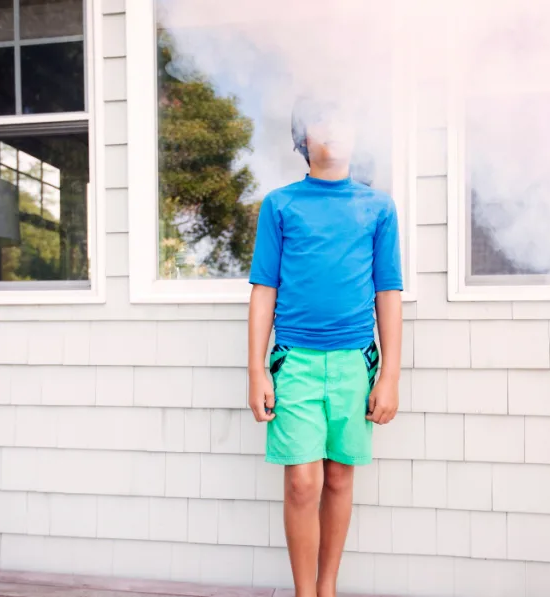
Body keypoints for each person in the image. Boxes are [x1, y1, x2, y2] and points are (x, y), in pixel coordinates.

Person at [247, 95, 403, 597]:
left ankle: (327, 587)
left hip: (356, 362)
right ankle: (303, 593)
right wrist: (256, 372)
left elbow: (388, 292)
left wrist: (391, 376)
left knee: (338, 480)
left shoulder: (377, 207)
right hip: (294, 362)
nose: (332, 129)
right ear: (301, 139)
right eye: (320, 121)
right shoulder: (281, 205)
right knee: (302, 484)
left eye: (344, 119)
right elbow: (264, 291)